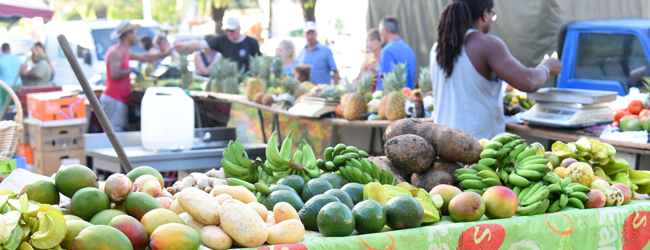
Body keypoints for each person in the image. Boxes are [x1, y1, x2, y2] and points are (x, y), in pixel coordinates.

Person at [430, 0, 561, 139]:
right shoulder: (487, 44)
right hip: (479, 146)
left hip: (443, 142)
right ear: (485, 14)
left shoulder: (438, 47)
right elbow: (529, 81)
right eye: (492, 15)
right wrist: (546, 67)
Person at [101, 19, 171, 131]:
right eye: (135, 34)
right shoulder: (116, 52)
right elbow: (115, 74)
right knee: (115, 133)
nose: (137, 37)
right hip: (114, 98)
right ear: (128, 35)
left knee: (119, 131)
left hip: (120, 99)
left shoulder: (125, 51)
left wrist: (165, 54)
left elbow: (145, 57)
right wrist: (131, 69)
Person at [173, 17, 261, 71]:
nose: (229, 33)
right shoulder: (221, 40)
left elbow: (259, 61)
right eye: (227, 30)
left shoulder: (251, 42)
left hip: (246, 80)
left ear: (239, 29)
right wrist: (185, 45)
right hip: (227, 79)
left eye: (232, 30)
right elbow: (201, 44)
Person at [376, 16, 416, 91]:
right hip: (408, 97)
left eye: (380, 31)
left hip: (392, 100)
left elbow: (385, 82)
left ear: (385, 30)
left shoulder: (387, 51)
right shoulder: (409, 49)